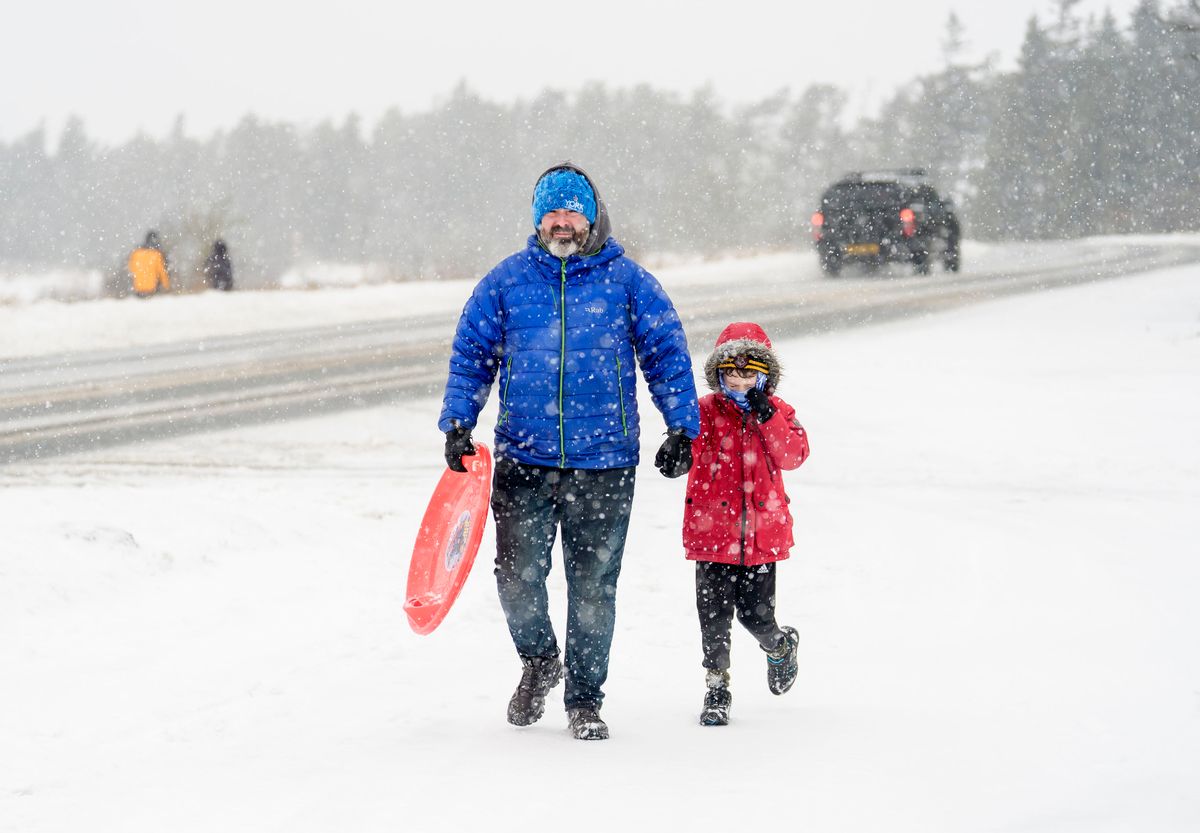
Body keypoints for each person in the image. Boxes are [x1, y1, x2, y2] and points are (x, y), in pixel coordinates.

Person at [439, 162, 700, 740]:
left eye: (571, 211)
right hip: (523, 458)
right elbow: (471, 357)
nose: (561, 223)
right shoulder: (505, 284)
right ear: (537, 220)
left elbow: (667, 356)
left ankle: (584, 700)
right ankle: (539, 661)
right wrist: (459, 422)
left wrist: (682, 427)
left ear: (591, 215)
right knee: (517, 580)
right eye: (550, 213)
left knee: (593, 589)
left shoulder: (630, 284)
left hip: (604, 461)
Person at [681, 322, 810, 726]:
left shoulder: (779, 413)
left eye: (748, 373)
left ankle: (778, 645)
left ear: (764, 376)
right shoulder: (703, 411)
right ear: (718, 374)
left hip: (760, 536)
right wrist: (675, 448)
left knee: (755, 616)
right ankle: (717, 688)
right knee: (713, 616)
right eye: (730, 373)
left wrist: (768, 416)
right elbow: (687, 445)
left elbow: (793, 455)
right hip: (711, 533)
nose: (738, 380)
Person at [127, 230, 171, 298]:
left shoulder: (136, 253)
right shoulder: (156, 254)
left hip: (138, 290)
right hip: (152, 290)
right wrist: (166, 286)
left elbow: (131, 269)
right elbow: (162, 271)